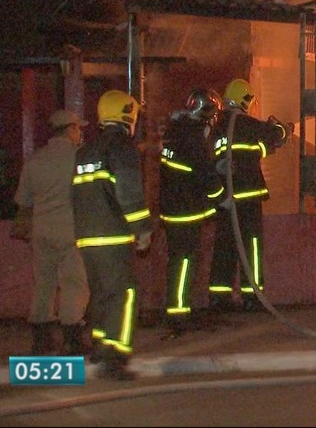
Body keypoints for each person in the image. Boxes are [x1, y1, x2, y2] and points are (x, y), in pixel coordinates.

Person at [72, 90, 153, 381]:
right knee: (124, 294)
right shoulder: (121, 147)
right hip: (114, 236)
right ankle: (116, 355)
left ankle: (100, 347)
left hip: (87, 238)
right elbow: (128, 191)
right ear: (126, 115)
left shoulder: (86, 151)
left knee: (101, 294)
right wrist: (142, 228)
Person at [209, 78, 292, 312]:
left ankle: (219, 296)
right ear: (245, 100)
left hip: (225, 198)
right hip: (248, 196)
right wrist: (284, 129)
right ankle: (253, 296)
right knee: (251, 245)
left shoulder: (218, 126)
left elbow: (250, 152)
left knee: (224, 245)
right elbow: (273, 134)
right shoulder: (244, 123)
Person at [12, 110, 90, 356]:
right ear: (69, 130)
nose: (80, 134)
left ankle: (41, 340)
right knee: (74, 285)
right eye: (78, 129)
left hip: (41, 232)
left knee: (43, 284)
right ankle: (72, 340)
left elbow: (23, 200)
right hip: (71, 231)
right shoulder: (79, 158)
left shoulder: (35, 160)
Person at [158, 88, 225, 334]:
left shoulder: (176, 131)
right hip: (186, 211)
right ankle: (178, 315)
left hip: (173, 208)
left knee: (178, 261)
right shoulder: (193, 137)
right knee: (184, 262)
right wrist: (220, 197)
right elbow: (204, 173)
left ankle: (179, 309)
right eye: (212, 114)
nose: (213, 119)